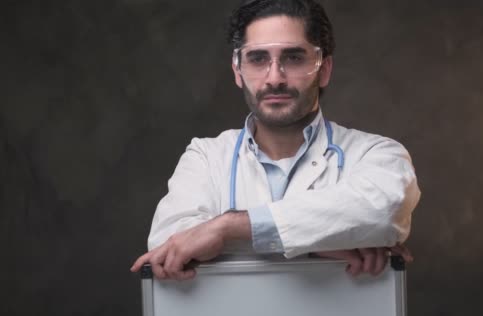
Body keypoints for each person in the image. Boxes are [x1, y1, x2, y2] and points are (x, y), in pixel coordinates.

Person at [130, 0, 421, 281]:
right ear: (237, 70)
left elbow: (384, 209)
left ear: (325, 69)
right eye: (257, 59)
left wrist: (226, 229)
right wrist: (317, 242)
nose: (274, 78)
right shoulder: (205, 156)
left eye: (293, 57)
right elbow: (169, 246)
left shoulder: (377, 154)